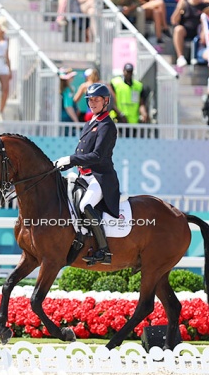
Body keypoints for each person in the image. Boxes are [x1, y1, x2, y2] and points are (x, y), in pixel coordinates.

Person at [54, 83, 120, 265]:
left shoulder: (107, 125)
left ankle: (104, 251)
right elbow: (83, 151)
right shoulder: (91, 121)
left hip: (100, 177)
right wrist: (66, 164)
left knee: (85, 205)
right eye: (89, 100)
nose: (92, 103)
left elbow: (97, 156)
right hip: (84, 176)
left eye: (96, 100)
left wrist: (71, 159)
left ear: (106, 101)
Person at [110, 62, 148, 137]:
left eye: (130, 72)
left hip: (133, 121)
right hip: (119, 119)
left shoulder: (138, 86)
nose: (129, 74)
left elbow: (141, 103)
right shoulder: (115, 83)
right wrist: (120, 114)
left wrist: (144, 113)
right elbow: (111, 102)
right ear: (123, 71)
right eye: (127, 71)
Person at [170, 0, 209, 67]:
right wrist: (179, 8)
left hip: (199, 31)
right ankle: (180, 57)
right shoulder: (184, 4)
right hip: (186, 30)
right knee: (178, 29)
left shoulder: (204, 6)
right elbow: (174, 21)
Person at [59, 66, 79, 135]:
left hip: (60, 119)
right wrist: (76, 122)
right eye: (71, 76)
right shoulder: (67, 90)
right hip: (66, 120)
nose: (73, 78)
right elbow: (68, 107)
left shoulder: (60, 89)